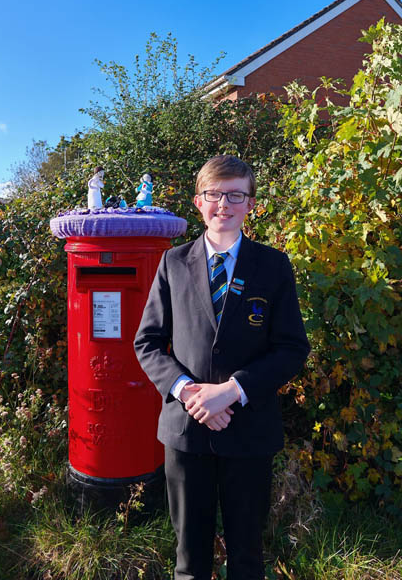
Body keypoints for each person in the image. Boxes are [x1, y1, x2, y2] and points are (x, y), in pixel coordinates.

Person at [134, 155, 310, 580]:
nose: (224, 205)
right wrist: (189, 392)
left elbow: (291, 348)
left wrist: (232, 391)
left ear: (250, 203)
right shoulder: (173, 263)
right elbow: (148, 342)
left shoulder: (273, 266)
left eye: (236, 195)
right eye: (215, 194)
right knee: (189, 560)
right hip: (186, 432)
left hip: (249, 431)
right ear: (199, 201)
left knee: (247, 558)